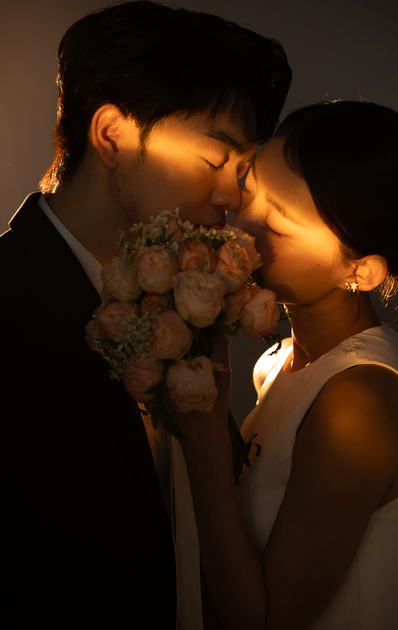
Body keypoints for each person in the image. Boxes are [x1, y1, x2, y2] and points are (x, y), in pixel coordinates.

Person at [0, 1, 291, 627]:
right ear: (112, 134)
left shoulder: (189, 306)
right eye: (214, 160)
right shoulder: (11, 301)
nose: (232, 197)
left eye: (243, 171)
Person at [174, 100, 398, 629]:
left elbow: (268, 619)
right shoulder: (280, 361)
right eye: (250, 188)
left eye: (278, 227)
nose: (240, 222)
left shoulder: (358, 406)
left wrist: (203, 437)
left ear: (360, 269)